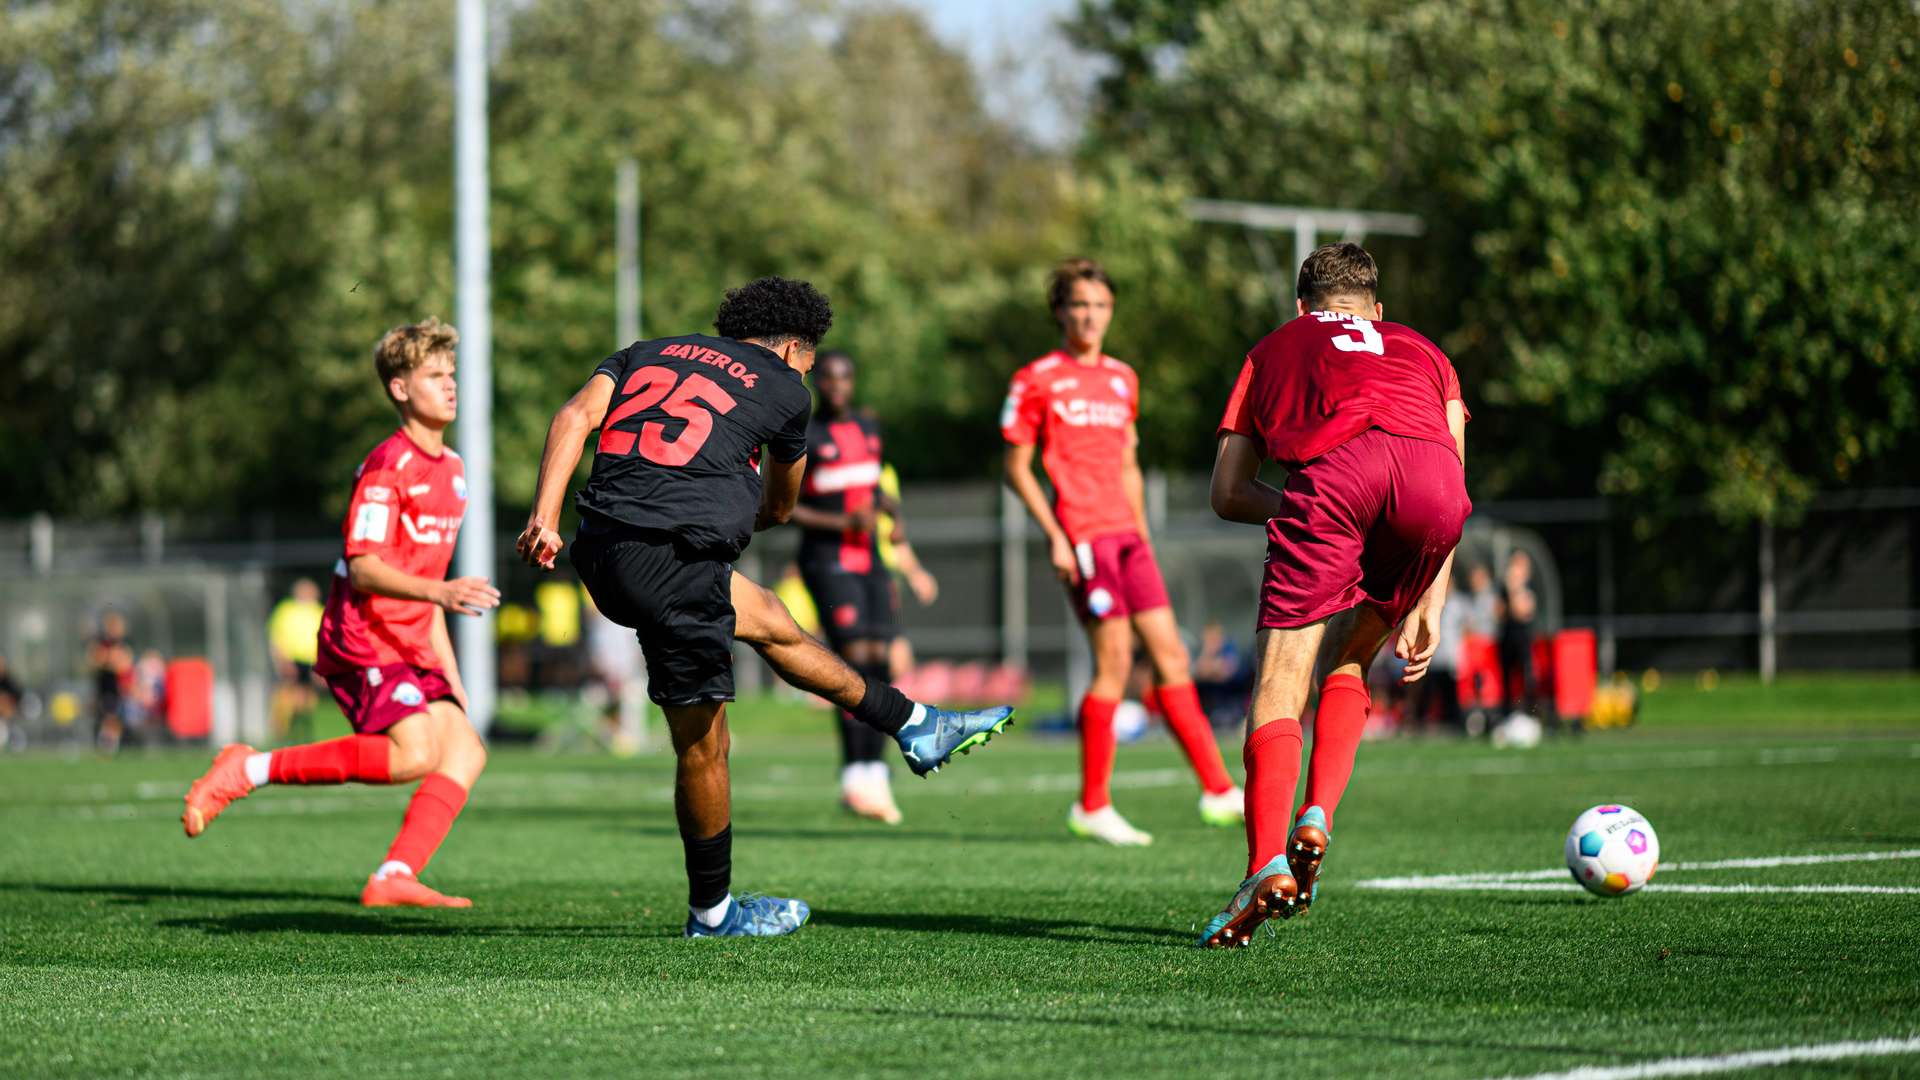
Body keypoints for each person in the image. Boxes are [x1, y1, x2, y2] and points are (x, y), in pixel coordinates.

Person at [515, 277, 1013, 939]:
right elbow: (780, 507)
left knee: (772, 621)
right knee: (703, 747)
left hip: (601, 545)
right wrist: (730, 502)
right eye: (810, 359)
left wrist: (545, 517)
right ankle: (713, 915)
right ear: (793, 348)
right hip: (672, 558)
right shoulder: (784, 389)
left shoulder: (646, 351)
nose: (807, 370)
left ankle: (915, 723)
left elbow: (574, 417)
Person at [1200, 242, 1470, 947]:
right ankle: (1316, 813)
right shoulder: (1425, 350)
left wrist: (1309, 511)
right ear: (1378, 310)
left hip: (1338, 479)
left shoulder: (1274, 348)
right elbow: (1451, 470)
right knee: (1350, 662)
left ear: (1302, 307)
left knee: (1281, 682)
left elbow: (1227, 492)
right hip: (1435, 495)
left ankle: (1263, 866)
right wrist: (1432, 602)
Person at [181, 317, 499, 909]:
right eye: (434, 375)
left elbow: (428, 588)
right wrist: (442, 595)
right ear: (400, 388)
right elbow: (365, 567)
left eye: (452, 374)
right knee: (415, 755)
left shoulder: (453, 473)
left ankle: (394, 874)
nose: (450, 386)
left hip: (411, 642)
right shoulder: (387, 466)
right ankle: (248, 768)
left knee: (466, 749)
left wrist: (450, 677)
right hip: (363, 637)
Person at [1001, 258, 1242, 846]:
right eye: (1078, 304)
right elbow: (1015, 467)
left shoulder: (1123, 379)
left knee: (1172, 657)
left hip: (1130, 540)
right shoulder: (1036, 378)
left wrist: (1142, 535)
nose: (1089, 315)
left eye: (1099, 305)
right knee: (1112, 662)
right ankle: (1093, 804)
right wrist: (1057, 535)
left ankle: (1217, 789)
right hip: (1083, 537)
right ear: (1060, 311)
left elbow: (1129, 462)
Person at [786, 352, 911, 825]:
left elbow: (878, 488)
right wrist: (842, 521)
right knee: (853, 660)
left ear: (853, 383)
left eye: (846, 378)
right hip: (827, 560)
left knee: (881, 658)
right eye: (830, 379)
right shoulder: (807, 436)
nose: (838, 387)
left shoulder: (869, 428)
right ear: (819, 383)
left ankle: (873, 771)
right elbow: (786, 507)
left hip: (870, 559)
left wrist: (895, 519)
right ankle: (854, 773)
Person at [268, 578, 325, 741]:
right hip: (291, 659)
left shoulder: (319, 611)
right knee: (287, 696)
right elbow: (276, 636)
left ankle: (302, 729)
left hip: (311, 660)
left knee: (307, 697)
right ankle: (281, 730)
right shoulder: (286, 610)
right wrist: (282, 659)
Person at [1498, 549, 1539, 716]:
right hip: (1507, 635)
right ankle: (1508, 712)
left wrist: (1515, 590)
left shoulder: (1528, 587)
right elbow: (1499, 612)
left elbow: (1523, 611)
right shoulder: (1503, 589)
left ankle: (1530, 710)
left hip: (1523, 637)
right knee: (1506, 676)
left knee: (1527, 674)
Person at [87, 611, 134, 753]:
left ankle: (111, 747)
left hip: (119, 688)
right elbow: (95, 659)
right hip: (105, 687)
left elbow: (125, 663)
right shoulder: (102, 642)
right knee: (108, 717)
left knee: (115, 719)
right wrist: (111, 659)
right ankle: (105, 748)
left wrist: (113, 659)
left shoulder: (123, 644)